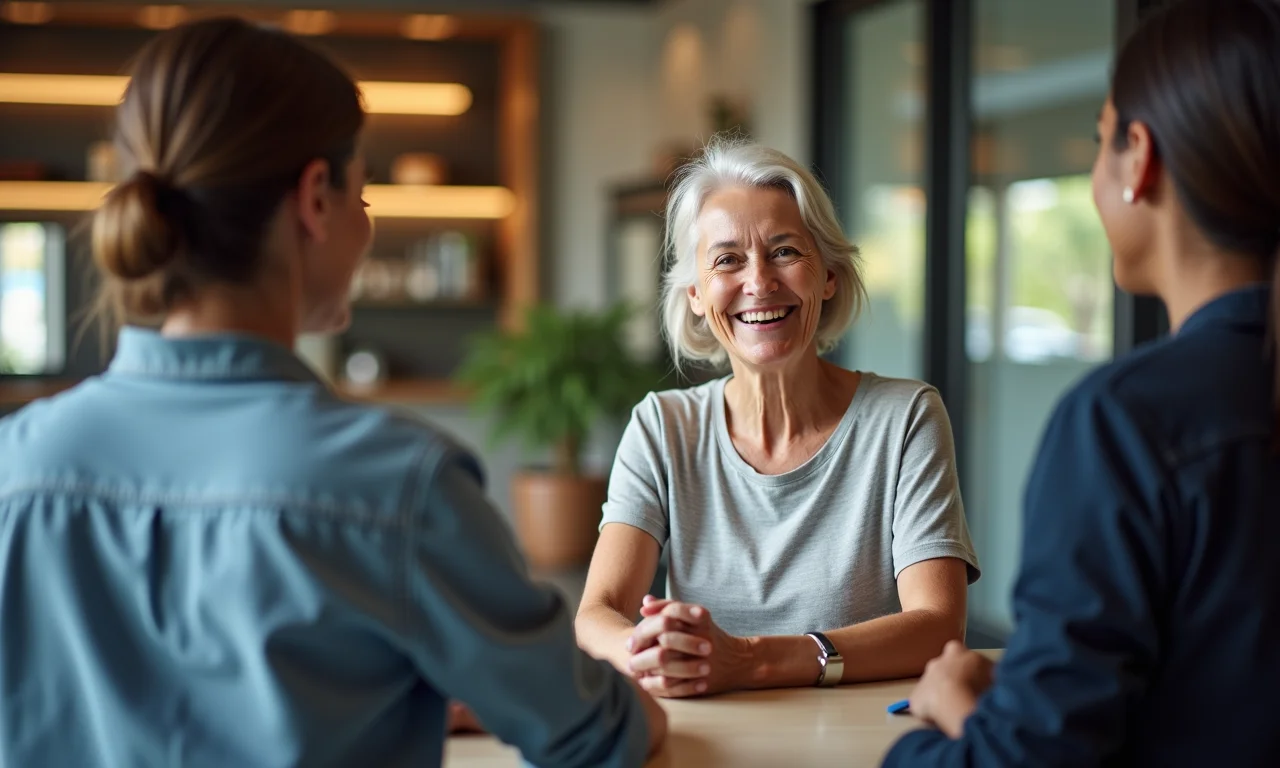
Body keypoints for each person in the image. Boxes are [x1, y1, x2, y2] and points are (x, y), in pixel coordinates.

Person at [0, 17, 664, 768]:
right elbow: (600, 735)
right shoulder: (399, 483)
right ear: (315, 198)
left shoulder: (13, 465)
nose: (366, 223)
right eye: (365, 194)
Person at [884, 1, 1280, 765]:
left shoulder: (1124, 424)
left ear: (1141, 156)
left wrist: (929, 734)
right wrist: (992, 716)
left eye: (1100, 143)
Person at [575, 139, 981, 698]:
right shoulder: (662, 427)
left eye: (786, 251)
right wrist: (657, 654)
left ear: (828, 276)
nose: (759, 281)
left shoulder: (906, 417)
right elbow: (598, 613)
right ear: (695, 293)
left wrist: (751, 661)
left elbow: (937, 626)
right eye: (727, 260)